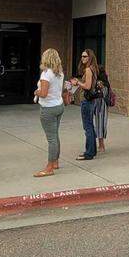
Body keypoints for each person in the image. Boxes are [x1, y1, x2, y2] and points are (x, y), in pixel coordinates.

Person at [33, 48, 65, 177]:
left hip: (48, 109)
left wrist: (36, 92)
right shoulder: (60, 73)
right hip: (59, 105)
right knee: (55, 135)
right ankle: (55, 161)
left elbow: (44, 93)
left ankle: (49, 167)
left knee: (51, 138)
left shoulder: (46, 74)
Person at [72, 49, 101, 161]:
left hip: (87, 100)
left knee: (87, 126)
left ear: (90, 57)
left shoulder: (89, 69)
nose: (82, 58)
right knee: (90, 125)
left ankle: (89, 152)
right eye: (82, 56)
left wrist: (77, 83)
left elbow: (88, 86)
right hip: (91, 100)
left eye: (85, 56)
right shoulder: (93, 69)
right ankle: (92, 150)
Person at [93, 65, 111, 152]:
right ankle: (101, 144)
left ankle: (101, 145)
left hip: (99, 105)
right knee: (102, 124)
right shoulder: (106, 83)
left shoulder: (99, 83)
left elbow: (99, 94)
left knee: (99, 124)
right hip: (104, 105)